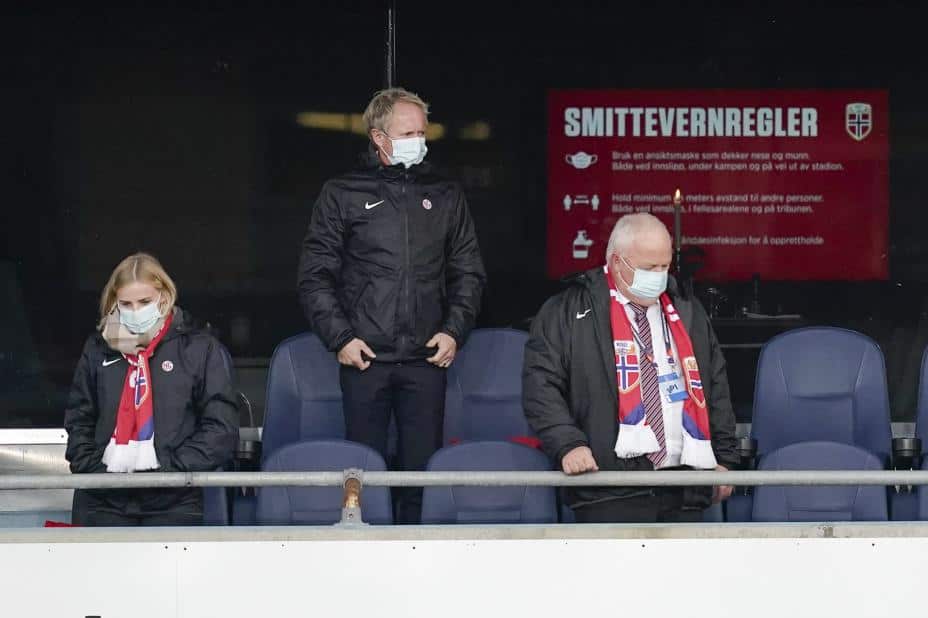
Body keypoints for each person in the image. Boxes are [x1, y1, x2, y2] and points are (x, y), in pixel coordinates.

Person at [298, 87, 486, 523]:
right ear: (379, 137)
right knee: (362, 478)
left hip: (427, 359)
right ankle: (365, 555)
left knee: (422, 477)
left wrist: (454, 330)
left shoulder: (445, 193)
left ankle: (417, 555)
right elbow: (314, 275)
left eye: (422, 132)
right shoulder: (342, 192)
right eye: (407, 133)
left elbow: (468, 272)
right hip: (364, 359)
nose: (418, 140)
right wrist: (341, 338)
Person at [523, 213, 737, 523]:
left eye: (665, 267)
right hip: (608, 489)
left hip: (685, 488)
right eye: (649, 268)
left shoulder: (686, 308)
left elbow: (715, 384)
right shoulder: (568, 310)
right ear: (616, 261)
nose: (659, 277)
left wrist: (725, 459)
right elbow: (540, 385)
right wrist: (568, 444)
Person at [64, 253, 239, 526]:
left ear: (164, 296)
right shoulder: (98, 349)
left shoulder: (198, 348)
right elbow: (79, 418)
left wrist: (168, 470)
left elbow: (220, 428)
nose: (135, 311)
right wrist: (100, 470)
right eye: (126, 304)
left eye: (145, 302)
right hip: (102, 500)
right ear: (114, 302)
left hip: (175, 500)